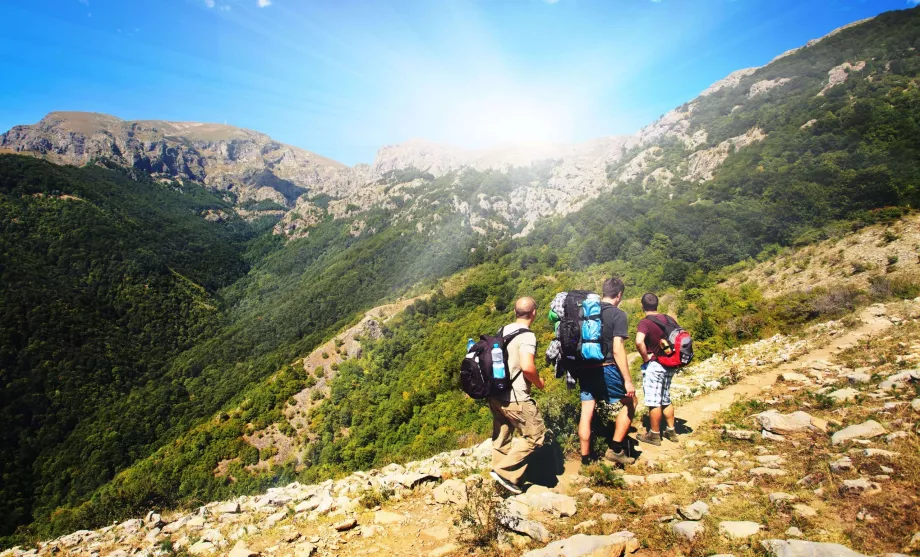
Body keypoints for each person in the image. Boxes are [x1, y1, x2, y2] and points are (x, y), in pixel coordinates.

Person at [489, 297, 547, 495]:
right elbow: (527, 367)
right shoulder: (528, 337)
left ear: (515, 312)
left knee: (502, 438)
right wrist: (540, 383)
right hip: (517, 398)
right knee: (536, 435)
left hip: (496, 395)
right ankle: (505, 474)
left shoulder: (502, 330)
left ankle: (499, 485)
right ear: (534, 313)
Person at [577, 277, 636, 467]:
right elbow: (618, 348)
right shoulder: (618, 315)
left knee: (586, 413)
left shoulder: (584, 312)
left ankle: (586, 461)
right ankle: (615, 449)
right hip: (608, 367)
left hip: (585, 368)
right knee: (630, 401)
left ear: (603, 292)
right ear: (618, 295)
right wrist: (627, 380)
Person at [635, 292, 680, 445]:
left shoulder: (645, 322)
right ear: (657, 305)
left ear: (643, 306)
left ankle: (654, 435)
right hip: (670, 363)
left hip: (655, 364)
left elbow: (639, 341)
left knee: (654, 401)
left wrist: (645, 357)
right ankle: (671, 431)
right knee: (665, 398)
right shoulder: (669, 319)